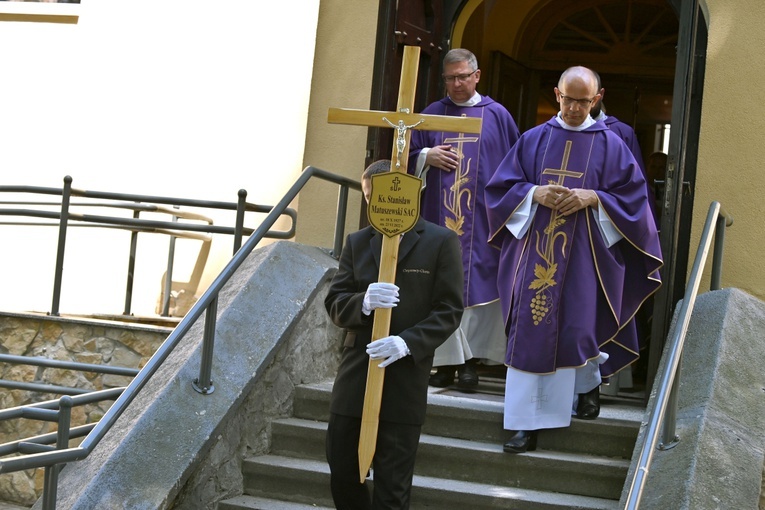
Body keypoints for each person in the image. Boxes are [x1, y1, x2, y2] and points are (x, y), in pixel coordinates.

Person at [484, 66, 663, 454]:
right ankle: (523, 424)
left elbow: (635, 199)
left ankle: (587, 387)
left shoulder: (612, 144)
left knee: (580, 328)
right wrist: (533, 194)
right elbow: (499, 189)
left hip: (586, 255)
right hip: (534, 253)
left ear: (597, 99)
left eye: (584, 101)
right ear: (557, 94)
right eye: (569, 99)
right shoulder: (533, 139)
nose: (576, 108)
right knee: (530, 333)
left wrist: (594, 197)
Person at [324, 159, 464, 509]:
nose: (373, 204)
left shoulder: (440, 241)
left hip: (404, 379)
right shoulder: (357, 242)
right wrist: (364, 301)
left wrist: (407, 342)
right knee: (343, 470)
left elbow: (449, 309)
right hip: (357, 373)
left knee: (392, 486)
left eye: (380, 197)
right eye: (368, 196)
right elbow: (335, 302)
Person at [408, 48, 520, 391]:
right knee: (438, 289)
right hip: (436, 221)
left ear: (477, 76)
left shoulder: (498, 116)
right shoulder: (430, 115)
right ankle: (442, 364)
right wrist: (426, 156)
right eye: (450, 78)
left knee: (477, 292)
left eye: (462, 77)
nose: (456, 84)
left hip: (483, 224)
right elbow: (404, 157)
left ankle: (469, 364)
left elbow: (517, 167)